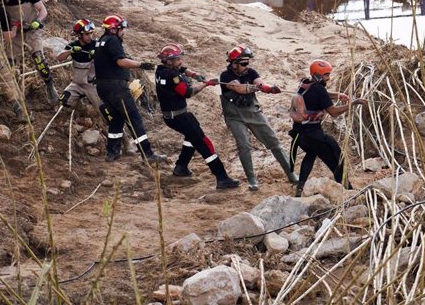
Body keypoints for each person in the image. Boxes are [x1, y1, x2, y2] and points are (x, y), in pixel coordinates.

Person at [155, 43, 240, 189]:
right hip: (180, 117)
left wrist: (193, 74)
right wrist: (206, 84)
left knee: (191, 137)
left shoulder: (160, 70)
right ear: (169, 61)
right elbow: (188, 93)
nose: (180, 61)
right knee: (204, 143)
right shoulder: (172, 76)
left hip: (170, 117)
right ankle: (221, 177)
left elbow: (181, 69)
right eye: (177, 59)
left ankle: (181, 166)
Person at [219, 45, 298, 191]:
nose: (246, 66)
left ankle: (291, 174)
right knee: (244, 146)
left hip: (253, 112)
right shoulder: (226, 76)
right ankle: (252, 179)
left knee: (274, 142)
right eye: (243, 63)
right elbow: (239, 88)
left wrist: (269, 88)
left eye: (247, 62)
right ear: (234, 63)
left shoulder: (251, 72)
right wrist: (259, 88)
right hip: (235, 117)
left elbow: (260, 83)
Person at [288, 59, 368, 197]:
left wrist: (337, 95)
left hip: (299, 134)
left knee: (311, 154)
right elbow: (334, 112)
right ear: (319, 76)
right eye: (326, 75)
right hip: (313, 135)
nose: (329, 78)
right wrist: (354, 102)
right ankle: (348, 189)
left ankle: (299, 189)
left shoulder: (305, 84)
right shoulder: (319, 89)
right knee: (335, 158)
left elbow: (321, 93)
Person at [93, 14, 166, 163]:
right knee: (134, 119)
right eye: (122, 29)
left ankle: (112, 153)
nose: (123, 32)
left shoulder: (100, 41)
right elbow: (121, 62)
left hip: (102, 87)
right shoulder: (113, 41)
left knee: (116, 120)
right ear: (114, 29)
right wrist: (141, 64)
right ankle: (147, 154)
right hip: (116, 87)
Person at [4, 0, 59, 105]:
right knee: (11, 64)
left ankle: (49, 85)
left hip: (32, 31)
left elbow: (42, 10)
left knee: (39, 58)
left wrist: (38, 21)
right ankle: (16, 94)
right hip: (16, 33)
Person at [56, 19, 100, 110]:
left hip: (92, 85)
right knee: (64, 100)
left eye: (91, 33)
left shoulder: (96, 44)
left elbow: (108, 59)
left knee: (103, 110)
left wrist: (98, 54)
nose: (90, 36)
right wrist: (70, 51)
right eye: (87, 34)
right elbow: (59, 58)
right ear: (79, 35)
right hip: (77, 84)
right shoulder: (73, 45)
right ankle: (82, 108)